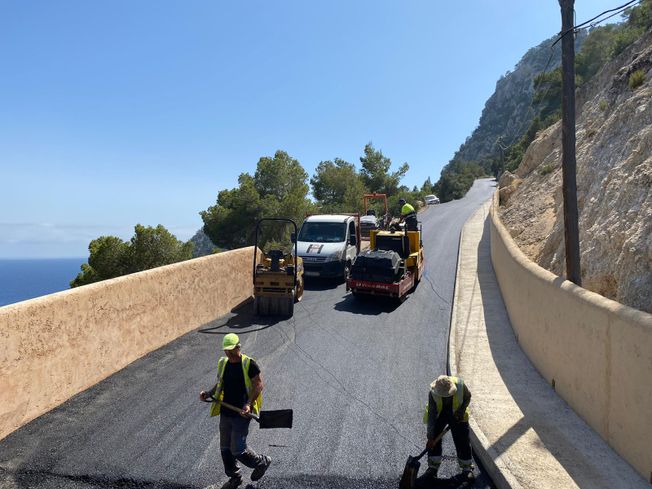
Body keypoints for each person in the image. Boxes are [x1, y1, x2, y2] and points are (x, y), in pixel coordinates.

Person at [200, 333, 271, 489]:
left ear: (239, 347)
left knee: (237, 449)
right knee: (225, 448)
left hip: (242, 413)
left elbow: (258, 385)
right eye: (227, 350)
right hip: (226, 411)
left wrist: (248, 403)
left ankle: (261, 462)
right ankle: (235, 477)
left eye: (232, 349)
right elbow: (220, 383)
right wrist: (209, 393)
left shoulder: (249, 364)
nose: (229, 353)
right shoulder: (223, 363)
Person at [420, 375, 474, 482]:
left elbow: (468, 397)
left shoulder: (461, 385)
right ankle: (433, 468)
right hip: (440, 414)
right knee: (435, 437)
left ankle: (467, 469)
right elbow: (431, 415)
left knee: (462, 439)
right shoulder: (433, 393)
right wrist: (430, 437)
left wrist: (461, 411)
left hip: (457, 414)